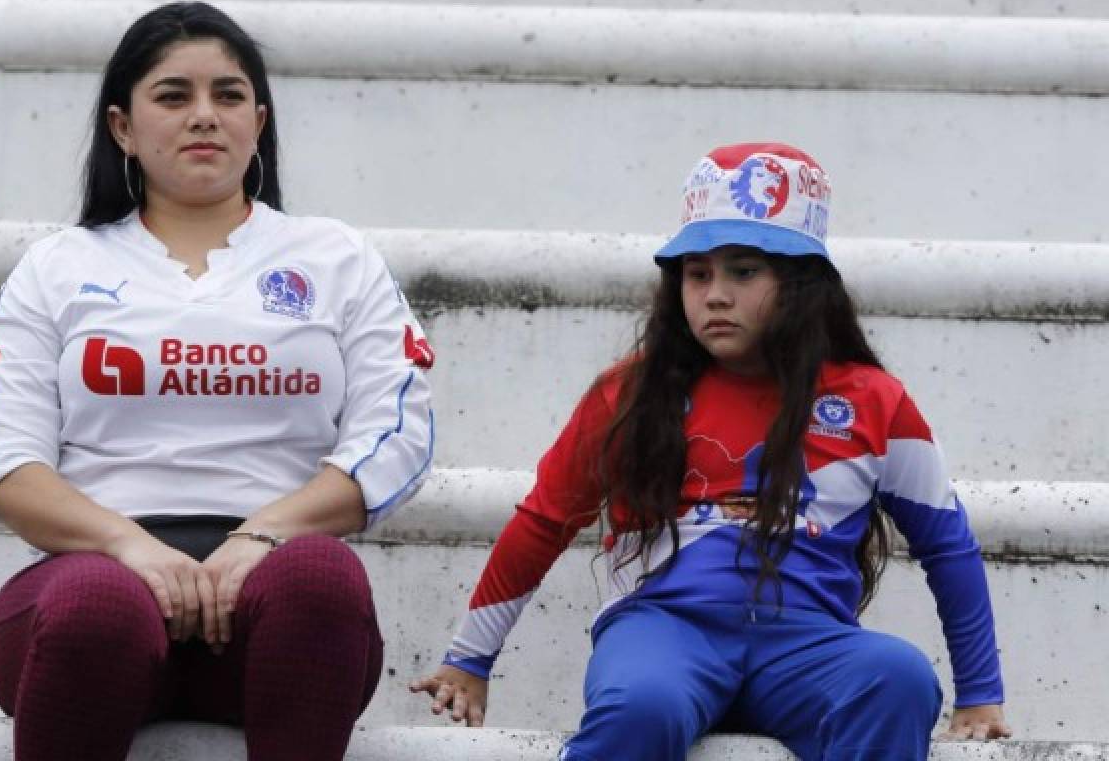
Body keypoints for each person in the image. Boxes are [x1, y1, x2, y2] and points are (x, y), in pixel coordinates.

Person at [411, 143, 1010, 760]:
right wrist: (469, 660)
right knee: (641, 706)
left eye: (743, 272)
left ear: (802, 284)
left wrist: (981, 695)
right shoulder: (628, 393)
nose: (715, 295)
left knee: (899, 676)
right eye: (697, 274)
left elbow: (946, 542)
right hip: (663, 632)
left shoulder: (874, 401)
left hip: (808, 645)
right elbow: (543, 522)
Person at [0, 1, 434, 761]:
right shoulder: (57, 268)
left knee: (320, 576)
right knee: (96, 604)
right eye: (174, 96)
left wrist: (262, 535)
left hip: (276, 611)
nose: (204, 116)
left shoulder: (336, 258)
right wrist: (130, 548)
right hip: (91, 596)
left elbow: (396, 436)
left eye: (229, 95)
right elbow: (3, 461)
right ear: (123, 127)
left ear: (259, 121)